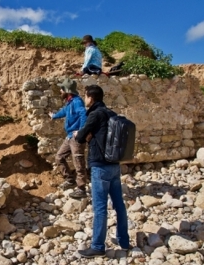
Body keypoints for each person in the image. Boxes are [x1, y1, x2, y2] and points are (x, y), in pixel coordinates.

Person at [75, 85, 130, 258]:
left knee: (100, 208)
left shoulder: (94, 114)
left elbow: (80, 137)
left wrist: (81, 133)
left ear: (90, 98)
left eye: (85, 96)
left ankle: (98, 246)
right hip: (114, 165)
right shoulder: (112, 114)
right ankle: (124, 241)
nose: (85, 99)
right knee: (119, 204)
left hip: (99, 166)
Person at [49, 78, 88, 198]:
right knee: (59, 157)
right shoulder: (70, 102)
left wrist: (81, 131)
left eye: (61, 89)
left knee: (78, 162)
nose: (60, 91)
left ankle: (81, 189)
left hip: (76, 138)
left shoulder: (77, 102)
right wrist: (54, 116)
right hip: (70, 136)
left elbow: (83, 114)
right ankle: (70, 180)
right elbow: (64, 111)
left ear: (67, 90)